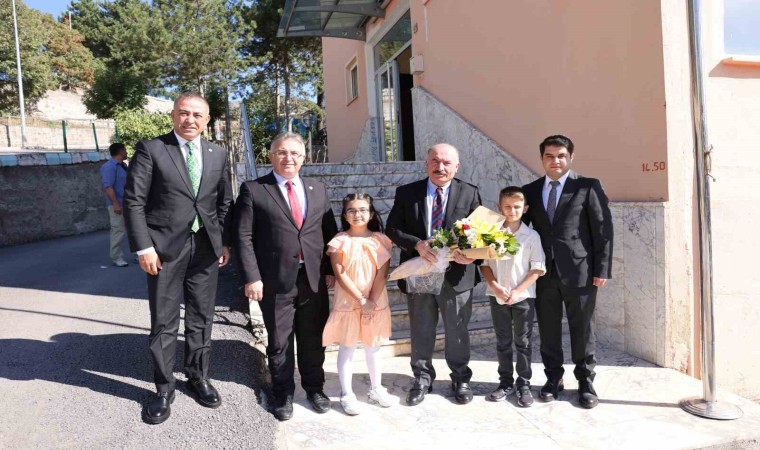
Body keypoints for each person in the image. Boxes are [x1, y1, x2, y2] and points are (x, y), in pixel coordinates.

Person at [124, 92, 233, 424]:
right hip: (163, 250)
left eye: (198, 115)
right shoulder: (152, 149)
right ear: (173, 115)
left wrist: (223, 241)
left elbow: (224, 201)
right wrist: (144, 248)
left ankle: (198, 376)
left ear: (207, 121)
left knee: (201, 317)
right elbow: (134, 201)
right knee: (164, 320)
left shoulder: (217, 153)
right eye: (184, 113)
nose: (190, 120)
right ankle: (163, 388)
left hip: (206, 249)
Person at [234, 132, 338, 421]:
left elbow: (329, 232)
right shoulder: (254, 190)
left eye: (294, 153)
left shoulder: (318, 189)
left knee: (313, 337)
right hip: (274, 280)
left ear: (304, 158)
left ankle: (315, 388)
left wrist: (330, 269)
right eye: (281, 152)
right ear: (271, 156)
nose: (288, 158)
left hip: (313, 279)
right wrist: (251, 277)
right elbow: (243, 237)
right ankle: (283, 394)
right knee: (279, 341)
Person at [521, 135, 613, 409]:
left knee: (582, 329)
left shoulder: (587, 186)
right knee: (548, 329)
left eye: (561, 155)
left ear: (571, 157)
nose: (555, 161)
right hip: (543, 273)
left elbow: (603, 230)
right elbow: (519, 229)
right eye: (549, 156)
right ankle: (554, 378)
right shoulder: (530, 190)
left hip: (580, 272)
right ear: (542, 159)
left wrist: (602, 268)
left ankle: (585, 381)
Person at [386, 143, 482, 406]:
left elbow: (480, 233)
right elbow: (392, 228)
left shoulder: (469, 192)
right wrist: (416, 244)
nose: (441, 167)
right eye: (435, 161)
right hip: (420, 271)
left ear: (456, 166)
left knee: (457, 330)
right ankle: (422, 378)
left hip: (457, 275)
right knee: (421, 329)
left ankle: (460, 378)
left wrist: (471, 254)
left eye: (447, 162)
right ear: (426, 163)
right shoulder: (407, 193)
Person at [322, 193, 395, 415]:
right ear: (345, 215)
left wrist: (371, 300)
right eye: (352, 210)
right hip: (348, 300)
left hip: (375, 299)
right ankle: (346, 393)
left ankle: (376, 388)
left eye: (363, 210)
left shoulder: (380, 240)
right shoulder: (339, 241)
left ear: (371, 214)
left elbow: (382, 273)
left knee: (373, 346)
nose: (357, 214)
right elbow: (340, 274)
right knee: (348, 346)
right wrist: (361, 299)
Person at [481, 186, 546, 407]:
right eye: (507, 206)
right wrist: (495, 286)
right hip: (497, 296)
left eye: (517, 207)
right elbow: (484, 264)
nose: (512, 211)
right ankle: (505, 382)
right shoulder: (491, 233)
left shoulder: (532, 236)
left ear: (525, 208)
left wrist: (518, 291)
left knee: (523, 342)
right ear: (500, 207)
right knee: (503, 342)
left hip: (523, 298)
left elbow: (537, 268)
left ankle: (524, 383)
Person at [100, 143, 129, 267]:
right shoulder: (109, 167)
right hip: (117, 204)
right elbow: (108, 187)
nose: (126, 152)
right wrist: (116, 204)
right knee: (118, 231)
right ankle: (116, 257)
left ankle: (140, 255)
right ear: (121, 151)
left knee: (134, 229)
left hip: (128, 203)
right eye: (125, 150)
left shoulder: (123, 166)